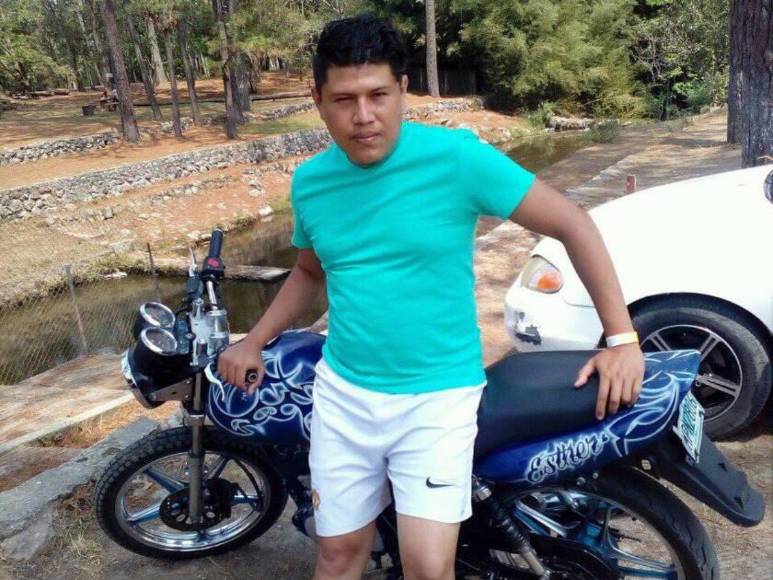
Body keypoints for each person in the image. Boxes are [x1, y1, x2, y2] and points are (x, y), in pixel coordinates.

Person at [218, 14, 645, 580]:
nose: (363, 116)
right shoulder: (312, 183)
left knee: (426, 567)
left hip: (437, 398)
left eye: (378, 95)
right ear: (317, 100)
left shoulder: (456, 159)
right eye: (344, 99)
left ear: (402, 90)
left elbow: (573, 223)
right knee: (337, 554)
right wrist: (253, 340)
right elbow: (308, 272)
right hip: (345, 395)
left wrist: (622, 338)